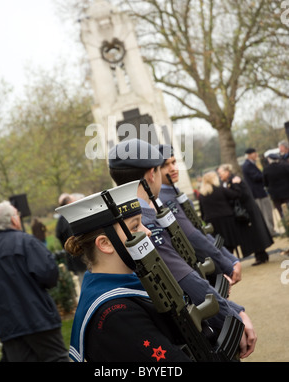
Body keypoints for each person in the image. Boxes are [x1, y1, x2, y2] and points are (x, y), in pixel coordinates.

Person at [108, 138, 256, 358]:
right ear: (152, 174)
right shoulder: (144, 223)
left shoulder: (130, 221)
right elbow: (182, 276)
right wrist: (232, 315)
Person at [57, 181, 193, 362]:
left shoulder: (129, 285)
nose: (148, 232)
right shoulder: (116, 313)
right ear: (105, 244)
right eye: (135, 227)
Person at [0, 201, 69, 362]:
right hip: (38, 318)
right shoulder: (26, 242)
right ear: (14, 220)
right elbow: (48, 274)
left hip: (9, 326)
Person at [157, 144, 242, 285]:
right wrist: (227, 265)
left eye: (174, 162)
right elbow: (193, 236)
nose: (173, 168)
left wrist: (231, 260)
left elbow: (200, 231)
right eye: (165, 165)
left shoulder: (173, 191)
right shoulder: (163, 199)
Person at [218, 164, 273, 266]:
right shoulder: (231, 181)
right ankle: (261, 255)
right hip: (247, 211)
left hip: (247, 211)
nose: (219, 175)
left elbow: (241, 195)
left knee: (254, 233)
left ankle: (261, 256)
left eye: (220, 173)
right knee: (254, 233)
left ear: (227, 172)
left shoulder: (234, 181)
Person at [198, 171, 243, 255]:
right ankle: (231, 260)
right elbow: (236, 195)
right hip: (226, 219)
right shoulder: (220, 189)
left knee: (219, 244)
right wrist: (236, 184)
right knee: (229, 242)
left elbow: (202, 211)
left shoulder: (202, 195)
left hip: (211, 222)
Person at [242, 148, 277, 237]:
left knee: (267, 212)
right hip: (258, 193)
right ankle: (270, 231)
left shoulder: (250, 164)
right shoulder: (247, 165)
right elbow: (256, 177)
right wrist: (265, 174)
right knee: (266, 213)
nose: (256, 155)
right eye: (254, 153)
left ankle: (270, 230)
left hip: (259, 192)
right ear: (249, 155)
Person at [56, 193, 87, 285]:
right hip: (82, 254)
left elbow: (59, 236)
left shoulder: (60, 220)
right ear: (69, 202)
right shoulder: (73, 217)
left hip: (73, 255)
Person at [263, 153, 289, 218]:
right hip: (286, 191)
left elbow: (265, 183)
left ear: (269, 160)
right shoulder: (285, 166)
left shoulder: (266, 169)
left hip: (275, 194)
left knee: (280, 210)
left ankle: (285, 223)